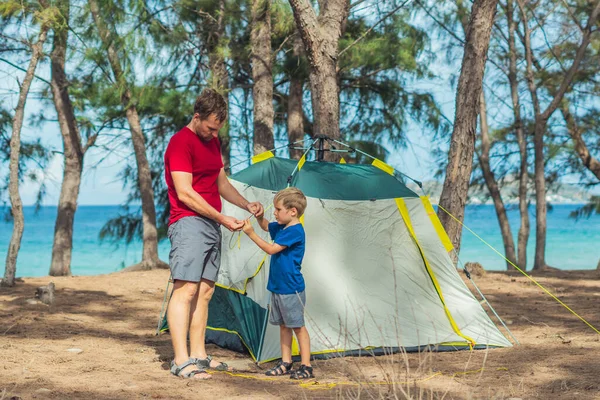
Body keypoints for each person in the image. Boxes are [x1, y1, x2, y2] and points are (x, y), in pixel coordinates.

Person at [164, 89, 264, 380]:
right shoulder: (180, 142)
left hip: (211, 223)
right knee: (186, 290)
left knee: (205, 292)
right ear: (197, 117)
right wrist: (222, 217)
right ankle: (181, 360)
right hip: (188, 222)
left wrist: (246, 204)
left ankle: (199, 354)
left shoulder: (212, 140)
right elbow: (184, 193)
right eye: (209, 127)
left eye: (217, 129)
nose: (212, 133)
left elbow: (220, 181)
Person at [242, 187, 314, 380]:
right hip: (277, 287)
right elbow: (267, 226)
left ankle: (306, 366)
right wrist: (260, 217)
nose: (274, 213)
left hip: (291, 289)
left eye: (277, 209)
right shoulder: (283, 226)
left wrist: (250, 233)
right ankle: (286, 362)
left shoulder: (295, 231)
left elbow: (272, 249)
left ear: (293, 211)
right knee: (284, 326)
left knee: (298, 326)